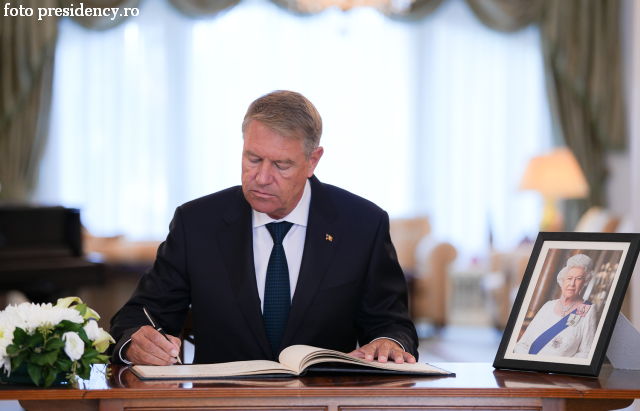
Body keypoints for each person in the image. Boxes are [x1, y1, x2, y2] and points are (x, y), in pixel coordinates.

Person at [108, 90, 419, 366]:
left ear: (313, 161)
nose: (261, 177)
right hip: (222, 404)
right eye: (252, 158)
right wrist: (137, 343)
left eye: (281, 165)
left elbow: (392, 325)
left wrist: (389, 343)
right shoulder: (197, 223)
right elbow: (137, 316)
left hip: (320, 402)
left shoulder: (362, 224)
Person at [514, 254, 597, 358]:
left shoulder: (587, 309)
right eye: (569, 278)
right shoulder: (548, 306)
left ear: (585, 282)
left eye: (578, 279)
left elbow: (586, 353)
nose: (572, 283)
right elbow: (522, 344)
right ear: (562, 281)